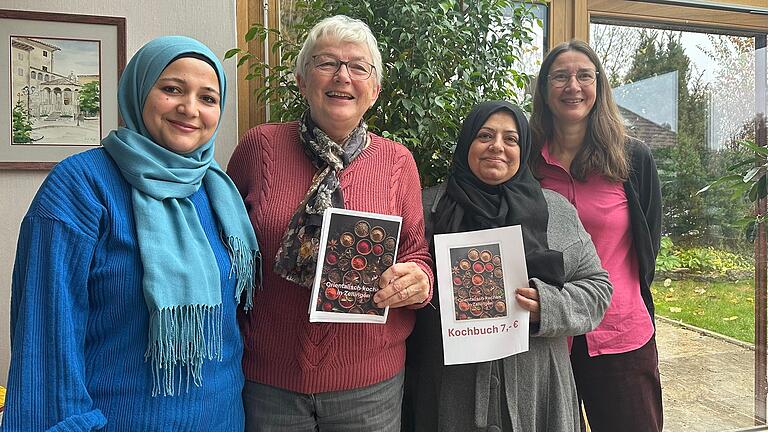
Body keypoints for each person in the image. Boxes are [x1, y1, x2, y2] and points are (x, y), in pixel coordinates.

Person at [2, 36, 259, 431]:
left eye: (208, 98)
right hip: (115, 419)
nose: (189, 108)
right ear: (138, 90)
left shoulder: (218, 190)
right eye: (172, 89)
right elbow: (47, 332)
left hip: (222, 417)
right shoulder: (82, 185)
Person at [227, 15, 433, 432]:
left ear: (373, 91)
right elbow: (224, 245)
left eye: (358, 67)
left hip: (369, 384)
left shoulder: (397, 162)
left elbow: (417, 253)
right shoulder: (260, 147)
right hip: (269, 380)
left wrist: (417, 280)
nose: (343, 76)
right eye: (326, 63)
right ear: (302, 80)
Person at [403, 100, 612, 431]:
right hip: (448, 388)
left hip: (538, 386)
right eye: (484, 135)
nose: (497, 147)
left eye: (511, 139)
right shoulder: (427, 208)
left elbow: (598, 288)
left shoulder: (554, 211)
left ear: (523, 148)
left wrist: (549, 305)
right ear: (466, 143)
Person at [529, 39, 663, 432]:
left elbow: (647, 240)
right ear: (544, 89)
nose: (573, 85)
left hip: (620, 335)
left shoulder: (632, 159)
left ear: (599, 86)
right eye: (560, 76)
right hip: (549, 335)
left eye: (584, 75)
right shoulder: (527, 162)